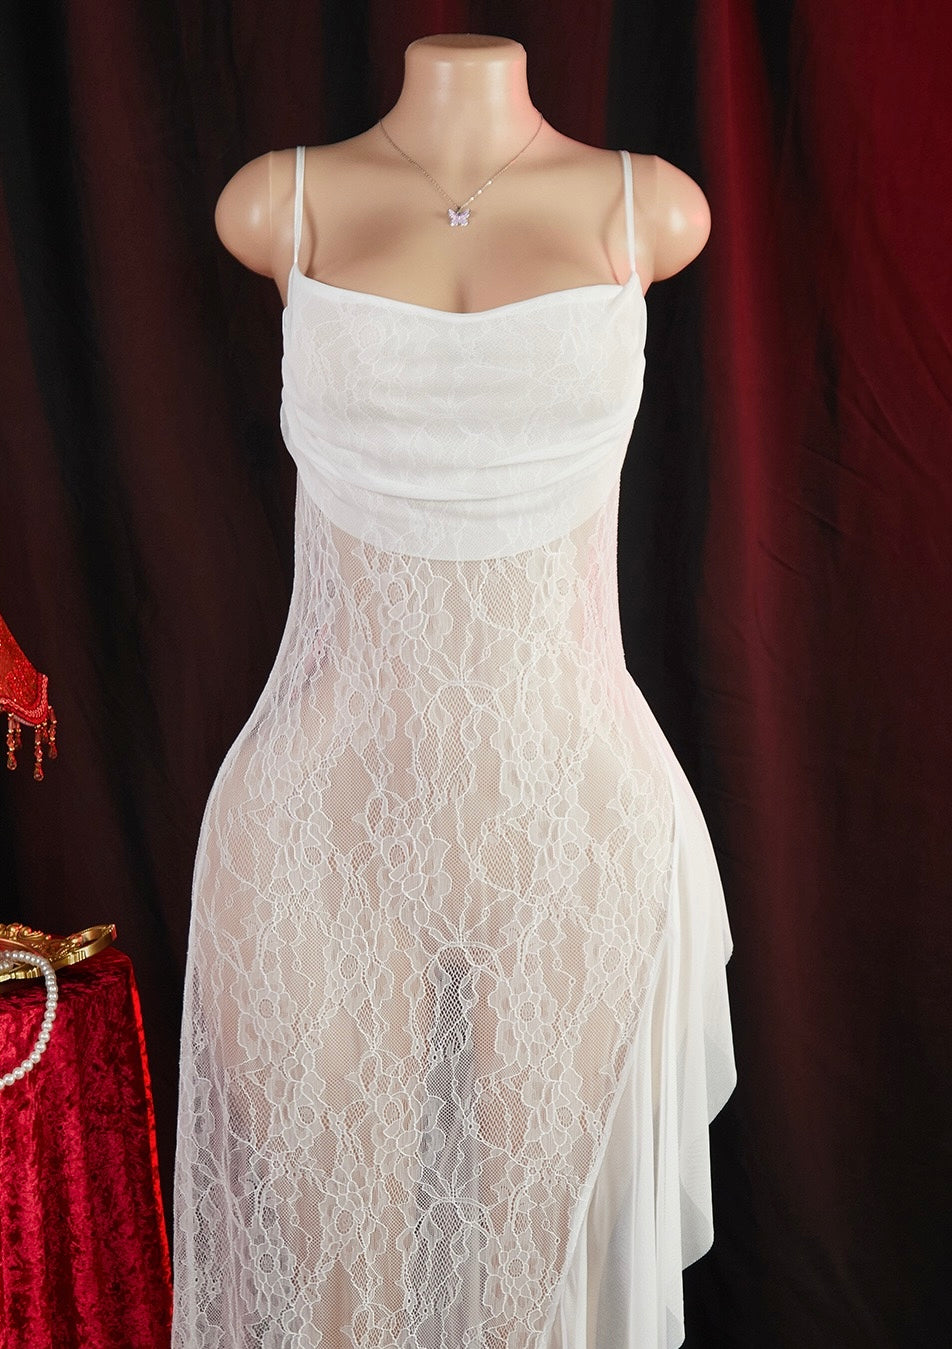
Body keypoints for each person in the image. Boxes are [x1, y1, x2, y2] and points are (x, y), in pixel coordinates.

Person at [173, 32, 736, 1348]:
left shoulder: (645, 204)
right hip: (315, 817)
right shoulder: (282, 202)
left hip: (573, 819)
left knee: (521, 1290)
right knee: (332, 1284)